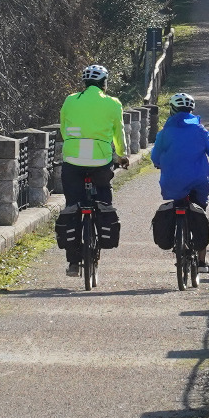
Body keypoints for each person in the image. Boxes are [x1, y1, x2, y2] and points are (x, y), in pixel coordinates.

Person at [58, 64, 130, 277]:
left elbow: (63, 128)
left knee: (72, 206)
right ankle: (101, 224)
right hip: (100, 160)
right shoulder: (112, 103)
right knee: (103, 198)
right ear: (104, 83)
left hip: (72, 159)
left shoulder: (70, 100)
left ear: (84, 83)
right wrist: (122, 155)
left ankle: (73, 262)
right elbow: (119, 132)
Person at [150, 92, 209, 272]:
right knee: (200, 212)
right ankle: (201, 262)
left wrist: (159, 164)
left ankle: (177, 239)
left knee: (177, 200)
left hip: (171, 182)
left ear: (172, 110)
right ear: (192, 110)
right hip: (198, 181)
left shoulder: (164, 132)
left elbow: (155, 157)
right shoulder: (200, 130)